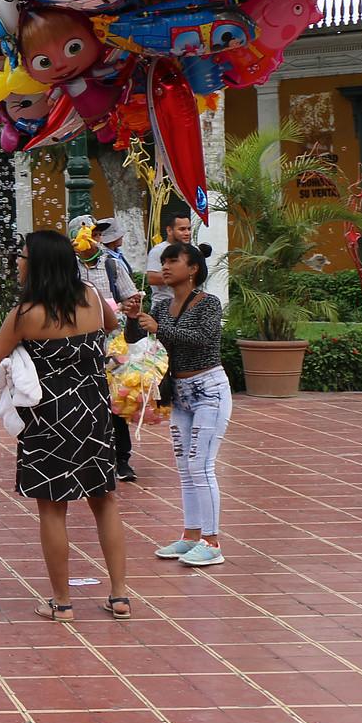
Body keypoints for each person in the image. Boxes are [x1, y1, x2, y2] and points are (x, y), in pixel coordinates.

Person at [0, 231, 131, 621]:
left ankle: (62, 602)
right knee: (105, 500)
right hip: (94, 412)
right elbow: (113, 324)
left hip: (48, 420)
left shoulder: (25, 315)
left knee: (52, 509)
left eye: (23, 256)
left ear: (39, 263)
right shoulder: (93, 298)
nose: (18, 262)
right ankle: (119, 596)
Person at [122, 241, 229, 567]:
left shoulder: (208, 303)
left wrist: (160, 327)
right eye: (163, 262)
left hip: (209, 390)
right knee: (185, 468)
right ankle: (190, 536)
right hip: (180, 393)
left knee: (201, 465)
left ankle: (212, 542)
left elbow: (203, 339)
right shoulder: (162, 306)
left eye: (173, 261)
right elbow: (133, 340)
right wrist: (134, 317)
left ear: (193, 268)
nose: (165, 267)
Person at [71, 215, 142, 482]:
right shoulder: (68, 268)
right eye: (88, 234)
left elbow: (131, 298)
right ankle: (85, 455)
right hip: (78, 343)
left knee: (114, 401)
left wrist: (129, 307)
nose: (94, 240)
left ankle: (121, 459)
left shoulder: (112, 264)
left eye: (98, 235)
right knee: (84, 400)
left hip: (112, 345)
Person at [144, 214, 194, 309]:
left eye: (189, 229)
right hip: (163, 307)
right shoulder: (158, 250)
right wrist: (183, 275)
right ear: (169, 230)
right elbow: (152, 278)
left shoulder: (191, 250)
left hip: (186, 306)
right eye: (182, 229)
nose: (187, 233)